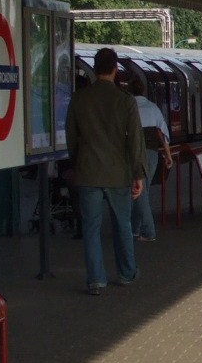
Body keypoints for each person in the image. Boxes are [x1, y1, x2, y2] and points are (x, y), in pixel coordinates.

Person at [64, 47, 147, 295]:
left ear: (95, 67)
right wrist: (138, 173)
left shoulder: (79, 99)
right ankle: (127, 273)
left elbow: (71, 137)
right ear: (114, 69)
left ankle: (96, 279)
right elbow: (135, 140)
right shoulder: (125, 100)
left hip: (88, 173)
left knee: (91, 227)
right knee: (122, 224)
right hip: (118, 174)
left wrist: (78, 161)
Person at [130, 86, 174, 242]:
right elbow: (162, 133)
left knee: (139, 192)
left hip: (135, 154)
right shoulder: (153, 107)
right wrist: (168, 156)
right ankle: (135, 229)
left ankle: (148, 231)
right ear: (144, 93)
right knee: (143, 191)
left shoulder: (129, 107)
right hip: (153, 154)